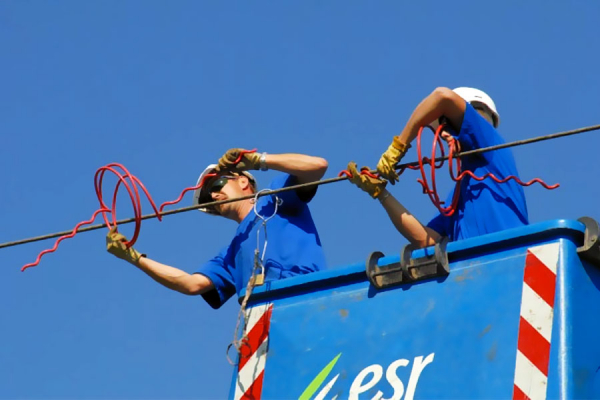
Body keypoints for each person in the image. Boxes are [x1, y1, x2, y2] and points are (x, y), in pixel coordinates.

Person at [106, 149, 328, 309]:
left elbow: (317, 167)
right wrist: (133, 257)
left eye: (216, 185)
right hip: (259, 319)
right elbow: (191, 284)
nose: (212, 196)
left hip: (304, 297)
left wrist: (257, 160)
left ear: (242, 181)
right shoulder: (232, 251)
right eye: (206, 198)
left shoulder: (274, 198)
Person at [347, 87, 528, 248]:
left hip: (511, 257)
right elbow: (427, 241)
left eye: (447, 126)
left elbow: (442, 97)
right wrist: (381, 193)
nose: (443, 135)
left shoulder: (489, 144)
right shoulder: (460, 193)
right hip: (476, 272)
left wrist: (398, 146)